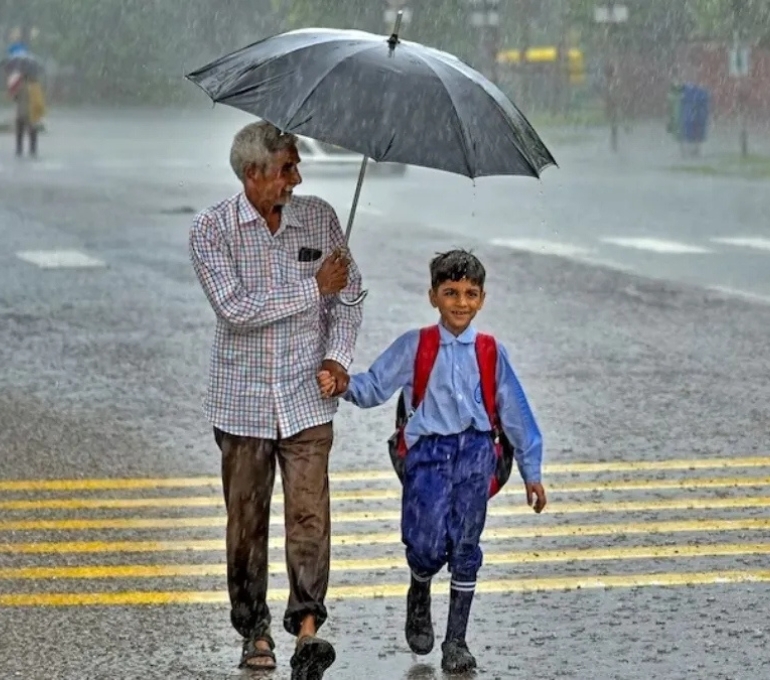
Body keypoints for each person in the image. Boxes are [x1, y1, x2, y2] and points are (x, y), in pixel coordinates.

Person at [188, 119, 363, 680]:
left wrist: (337, 359)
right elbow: (236, 309)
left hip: (308, 400)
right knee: (246, 522)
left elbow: (350, 301)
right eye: (287, 167)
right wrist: (313, 286)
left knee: (310, 516)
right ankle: (254, 628)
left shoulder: (320, 217)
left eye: (295, 165)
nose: (297, 177)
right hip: (242, 405)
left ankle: (308, 629)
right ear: (253, 173)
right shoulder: (211, 230)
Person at [317, 249, 547, 673]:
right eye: (450, 292)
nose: (461, 302)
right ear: (433, 296)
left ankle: (456, 641)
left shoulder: (491, 352)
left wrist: (532, 472)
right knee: (423, 544)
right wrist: (343, 384)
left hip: (477, 454)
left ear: (482, 299)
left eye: (470, 293)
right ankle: (419, 585)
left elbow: (515, 412)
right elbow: (374, 386)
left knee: (465, 544)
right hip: (426, 457)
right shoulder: (415, 345)